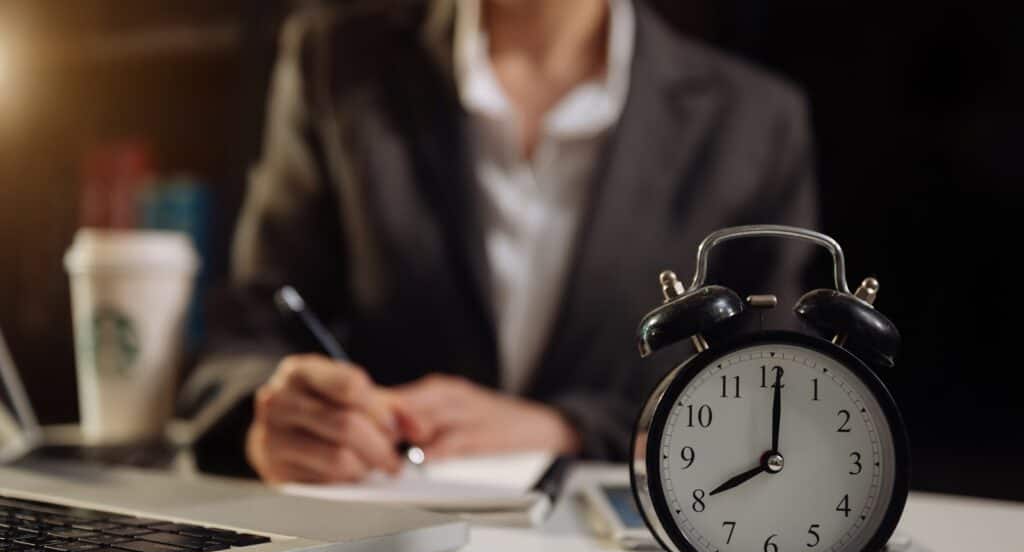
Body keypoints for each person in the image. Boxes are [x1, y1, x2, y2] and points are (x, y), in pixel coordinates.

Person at [191, 0, 819, 483]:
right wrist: (275, 419)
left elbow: (775, 395)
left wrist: (565, 430)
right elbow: (243, 339)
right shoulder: (335, 65)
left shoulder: (754, 124)